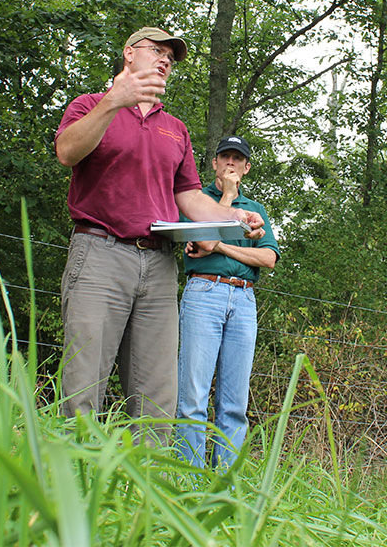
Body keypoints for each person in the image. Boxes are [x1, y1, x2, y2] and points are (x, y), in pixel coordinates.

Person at [54, 27, 264, 438]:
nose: (166, 60)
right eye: (157, 51)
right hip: (100, 253)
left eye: (171, 56)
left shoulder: (176, 129)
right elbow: (67, 151)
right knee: (84, 382)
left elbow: (189, 199)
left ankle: (145, 496)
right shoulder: (90, 106)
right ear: (129, 54)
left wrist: (237, 219)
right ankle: (72, 486)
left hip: (159, 266)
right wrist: (115, 100)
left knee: (156, 396)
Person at [175, 135, 278, 468]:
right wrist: (229, 197)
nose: (231, 163)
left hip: (244, 299)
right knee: (193, 397)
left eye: (238, 158)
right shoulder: (196, 200)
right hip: (204, 293)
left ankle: (225, 485)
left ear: (246, 168)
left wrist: (219, 248)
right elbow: (202, 234)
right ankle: (187, 479)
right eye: (225, 157)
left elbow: (268, 258)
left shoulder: (255, 211)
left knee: (235, 402)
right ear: (215, 163)